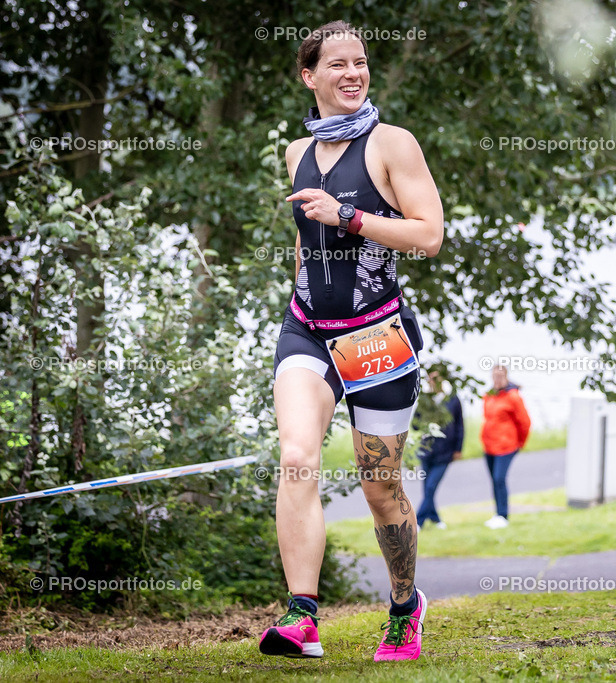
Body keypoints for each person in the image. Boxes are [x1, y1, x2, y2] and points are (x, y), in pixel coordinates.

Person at [259, 20, 443, 662]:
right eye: (335, 65)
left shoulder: (393, 144)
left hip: (377, 338)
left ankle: (404, 608)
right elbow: (311, 250)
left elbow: (428, 235)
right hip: (308, 328)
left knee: (378, 483)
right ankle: (302, 617)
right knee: (296, 454)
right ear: (309, 77)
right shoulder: (295, 153)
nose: (351, 74)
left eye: (359, 62)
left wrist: (353, 217)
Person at [480, 364, 531, 529]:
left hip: (506, 445)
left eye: (500, 376)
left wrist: (520, 442)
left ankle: (503, 514)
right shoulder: (489, 395)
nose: (497, 379)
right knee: (494, 480)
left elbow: (524, 422)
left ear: (506, 377)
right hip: (490, 446)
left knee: (499, 478)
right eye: (495, 376)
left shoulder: (513, 396)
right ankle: (497, 513)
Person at [416, 371, 464, 530]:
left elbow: (459, 426)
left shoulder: (452, 399)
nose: (433, 381)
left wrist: (458, 448)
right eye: (431, 378)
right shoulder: (424, 399)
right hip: (426, 450)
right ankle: (435, 518)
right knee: (427, 488)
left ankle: (418, 520)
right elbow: (415, 424)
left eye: (437, 378)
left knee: (431, 487)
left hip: (445, 451)